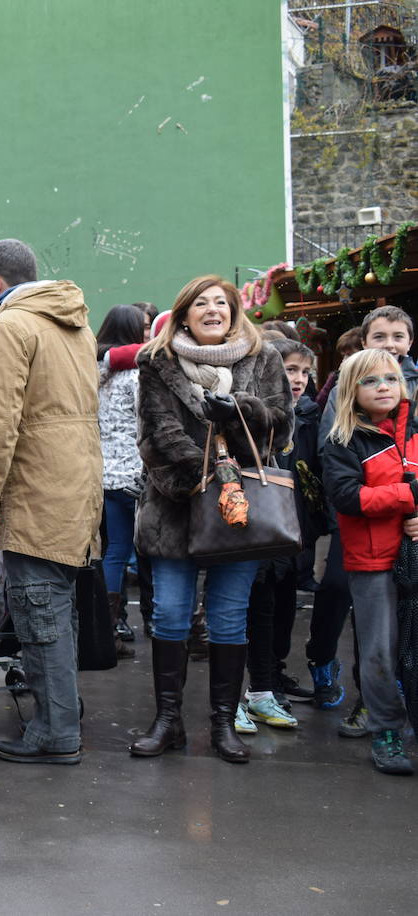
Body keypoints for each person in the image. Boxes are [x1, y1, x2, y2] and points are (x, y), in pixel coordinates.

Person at [130, 275, 291, 764]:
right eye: (201, 304)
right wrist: (207, 474)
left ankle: (223, 724)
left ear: (235, 311)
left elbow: (283, 422)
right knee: (171, 615)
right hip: (177, 505)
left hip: (241, 512)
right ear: (184, 314)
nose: (212, 310)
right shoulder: (156, 362)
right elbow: (157, 433)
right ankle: (168, 721)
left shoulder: (263, 357)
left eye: (221, 303)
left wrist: (242, 410)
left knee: (227, 617)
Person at [0, 239, 101, 765]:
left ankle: (56, 731)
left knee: (40, 614)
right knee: (57, 614)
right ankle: (60, 717)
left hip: (37, 490)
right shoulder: (73, 322)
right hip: (74, 486)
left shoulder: (12, 325)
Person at [310, 306, 418, 715]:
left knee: (406, 642)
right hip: (368, 549)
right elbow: (347, 493)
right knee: (375, 642)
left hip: (410, 545)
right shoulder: (345, 435)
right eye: (371, 381)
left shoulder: (413, 426)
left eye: (391, 378)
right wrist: (409, 497)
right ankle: (380, 719)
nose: (384, 386)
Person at [235, 337, 325, 736]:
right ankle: (234, 695)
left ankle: (266, 686)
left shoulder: (309, 416)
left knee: (275, 609)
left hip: (291, 531)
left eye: (306, 372)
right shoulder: (256, 413)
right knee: (242, 612)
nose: (300, 379)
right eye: (291, 370)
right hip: (254, 527)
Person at [95, 304, 149, 659]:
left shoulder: (95, 371)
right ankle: (158, 621)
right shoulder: (137, 377)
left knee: (114, 551)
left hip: (103, 475)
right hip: (137, 475)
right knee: (148, 552)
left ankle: (109, 625)